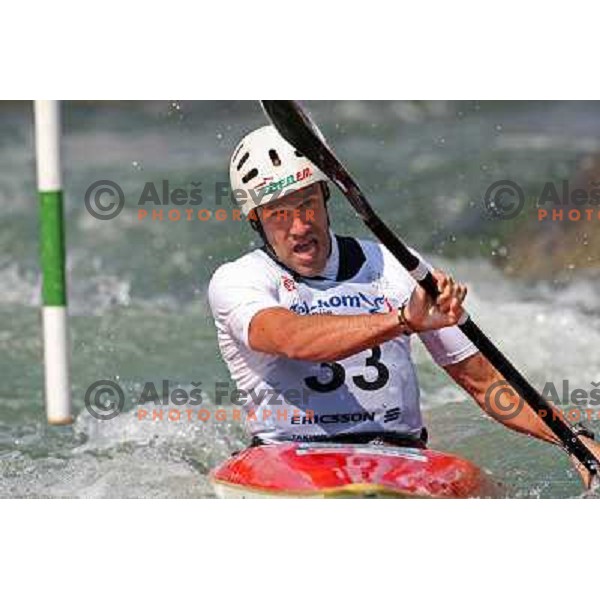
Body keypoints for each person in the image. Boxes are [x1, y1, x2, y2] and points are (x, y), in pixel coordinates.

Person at [208, 124, 600, 488]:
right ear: (255, 219)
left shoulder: (394, 267)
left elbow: (486, 383)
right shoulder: (238, 281)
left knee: (485, 488)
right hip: (287, 458)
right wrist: (401, 320)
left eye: (307, 203)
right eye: (279, 213)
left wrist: (576, 442)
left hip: (401, 459)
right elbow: (291, 338)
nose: (299, 226)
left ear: (326, 196)